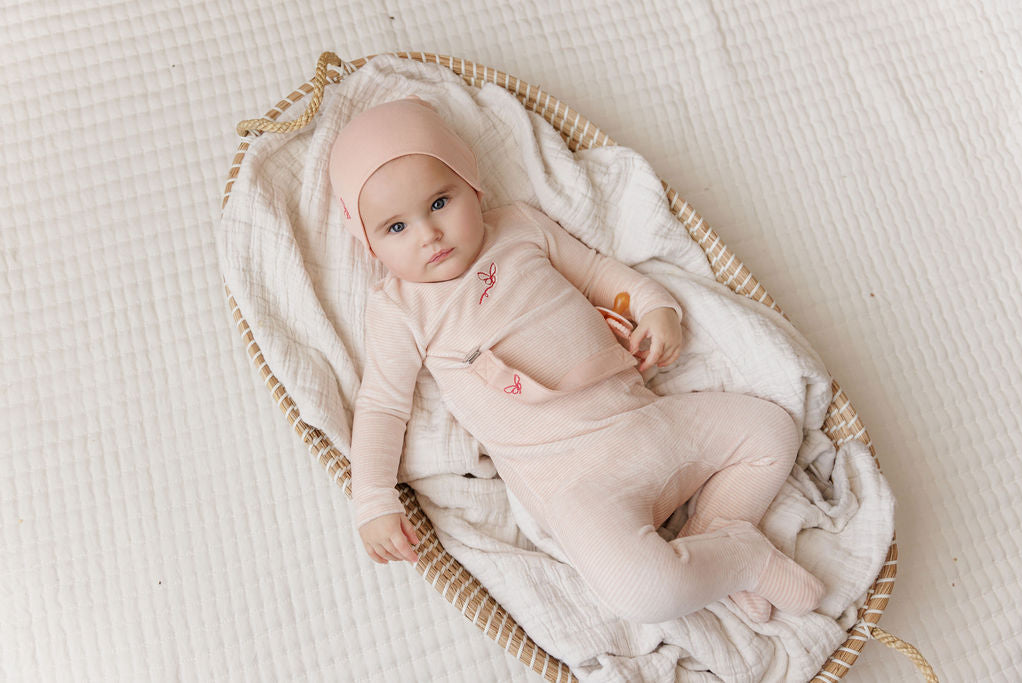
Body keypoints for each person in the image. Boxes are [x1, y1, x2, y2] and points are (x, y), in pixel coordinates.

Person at [329, 96, 825, 624]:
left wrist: (656, 307)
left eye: (439, 203)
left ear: (472, 185)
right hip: (579, 485)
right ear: (370, 245)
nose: (429, 235)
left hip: (648, 422)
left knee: (772, 430)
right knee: (643, 596)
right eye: (396, 228)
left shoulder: (519, 227)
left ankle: (719, 536)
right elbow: (382, 406)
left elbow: (596, 272)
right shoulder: (400, 309)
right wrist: (374, 499)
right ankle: (744, 560)